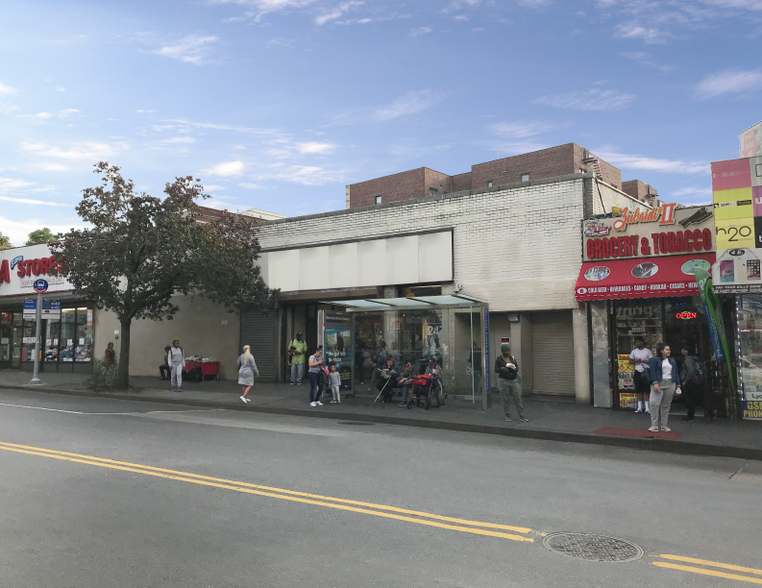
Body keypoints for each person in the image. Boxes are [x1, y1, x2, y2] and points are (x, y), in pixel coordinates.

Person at [648, 342, 682, 432]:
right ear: (661, 351)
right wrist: (655, 382)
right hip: (659, 383)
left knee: (666, 405)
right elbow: (652, 371)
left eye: (669, 350)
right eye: (667, 349)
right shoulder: (655, 360)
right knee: (654, 404)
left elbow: (676, 373)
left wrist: (678, 385)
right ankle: (654, 425)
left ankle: (664, 425)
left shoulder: (672, 360)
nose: (669, 351)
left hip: (670, 383)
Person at [495, 342, 528, 423]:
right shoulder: (499, 359)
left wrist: (513, 367)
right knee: (505, 399)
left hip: (513, 380)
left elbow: (517, 368)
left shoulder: (512, 358)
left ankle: (522, 416)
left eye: (508, 350)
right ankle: (507, 415)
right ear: (502, 351)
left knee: (518, 398)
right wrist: (502, 368)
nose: (507, 352)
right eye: (506, 351)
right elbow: (496, 370)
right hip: (504, 380)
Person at [680, 345, 712, 423]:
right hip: (698, 381)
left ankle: (691, 416)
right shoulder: (695, 359)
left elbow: (690, 370)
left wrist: (685, 380)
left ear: (686, 351)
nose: (681, 351)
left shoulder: (687, 360)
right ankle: (710, 411)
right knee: (698, 399)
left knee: (691, 399)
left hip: (692, 382)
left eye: (683, 349)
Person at [629, 337, 653, 414]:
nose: (637, 343)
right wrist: (635, 361)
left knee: (646, 390)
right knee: (638, 389)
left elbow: (651, 361)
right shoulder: (634, 351)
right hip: (637, 371)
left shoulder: (647, 351)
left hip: (645, 371)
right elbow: (630, 360)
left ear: (642, 342)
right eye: (636, 342)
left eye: (638, 342)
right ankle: (639, 407)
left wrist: (642, 361)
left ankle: (647, 408)